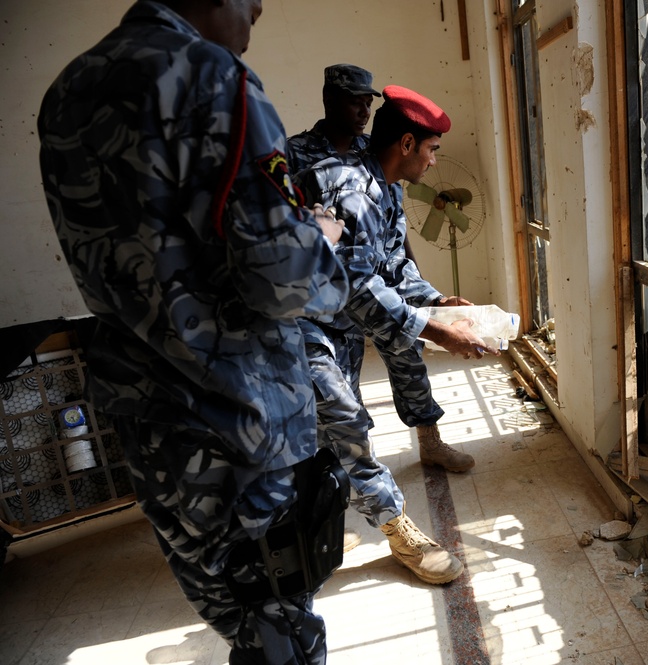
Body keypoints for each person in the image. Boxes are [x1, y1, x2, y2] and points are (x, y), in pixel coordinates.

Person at [37, 1, 350, 663]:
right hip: (238, 418)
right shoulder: (216, 79)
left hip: (147, 418)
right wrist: (321, 239)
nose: (260, 7)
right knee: (282, 620)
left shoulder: (67, 89)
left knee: (233, 609)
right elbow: (283, 279)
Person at [294, 85, 498, 585]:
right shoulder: (352, 194)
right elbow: (359, 287)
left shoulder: (383, 185)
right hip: (293, 323)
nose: (433, 163)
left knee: (332, 423)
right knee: (344, 420)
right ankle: (397, 529)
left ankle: (325, 507)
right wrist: (438, 332)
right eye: (431, 151)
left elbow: (392, 264)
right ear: (406, 144)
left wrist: (436, 302)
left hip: (331, 319)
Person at [286, 63, 419, 265]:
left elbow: (394, 220)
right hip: (319, 268)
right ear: (329, 101)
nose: (365, 112)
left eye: (368, 104)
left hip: (373, 271)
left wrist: (419, 281)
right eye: (356, 103)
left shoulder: (375, 150)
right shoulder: (294, 151)